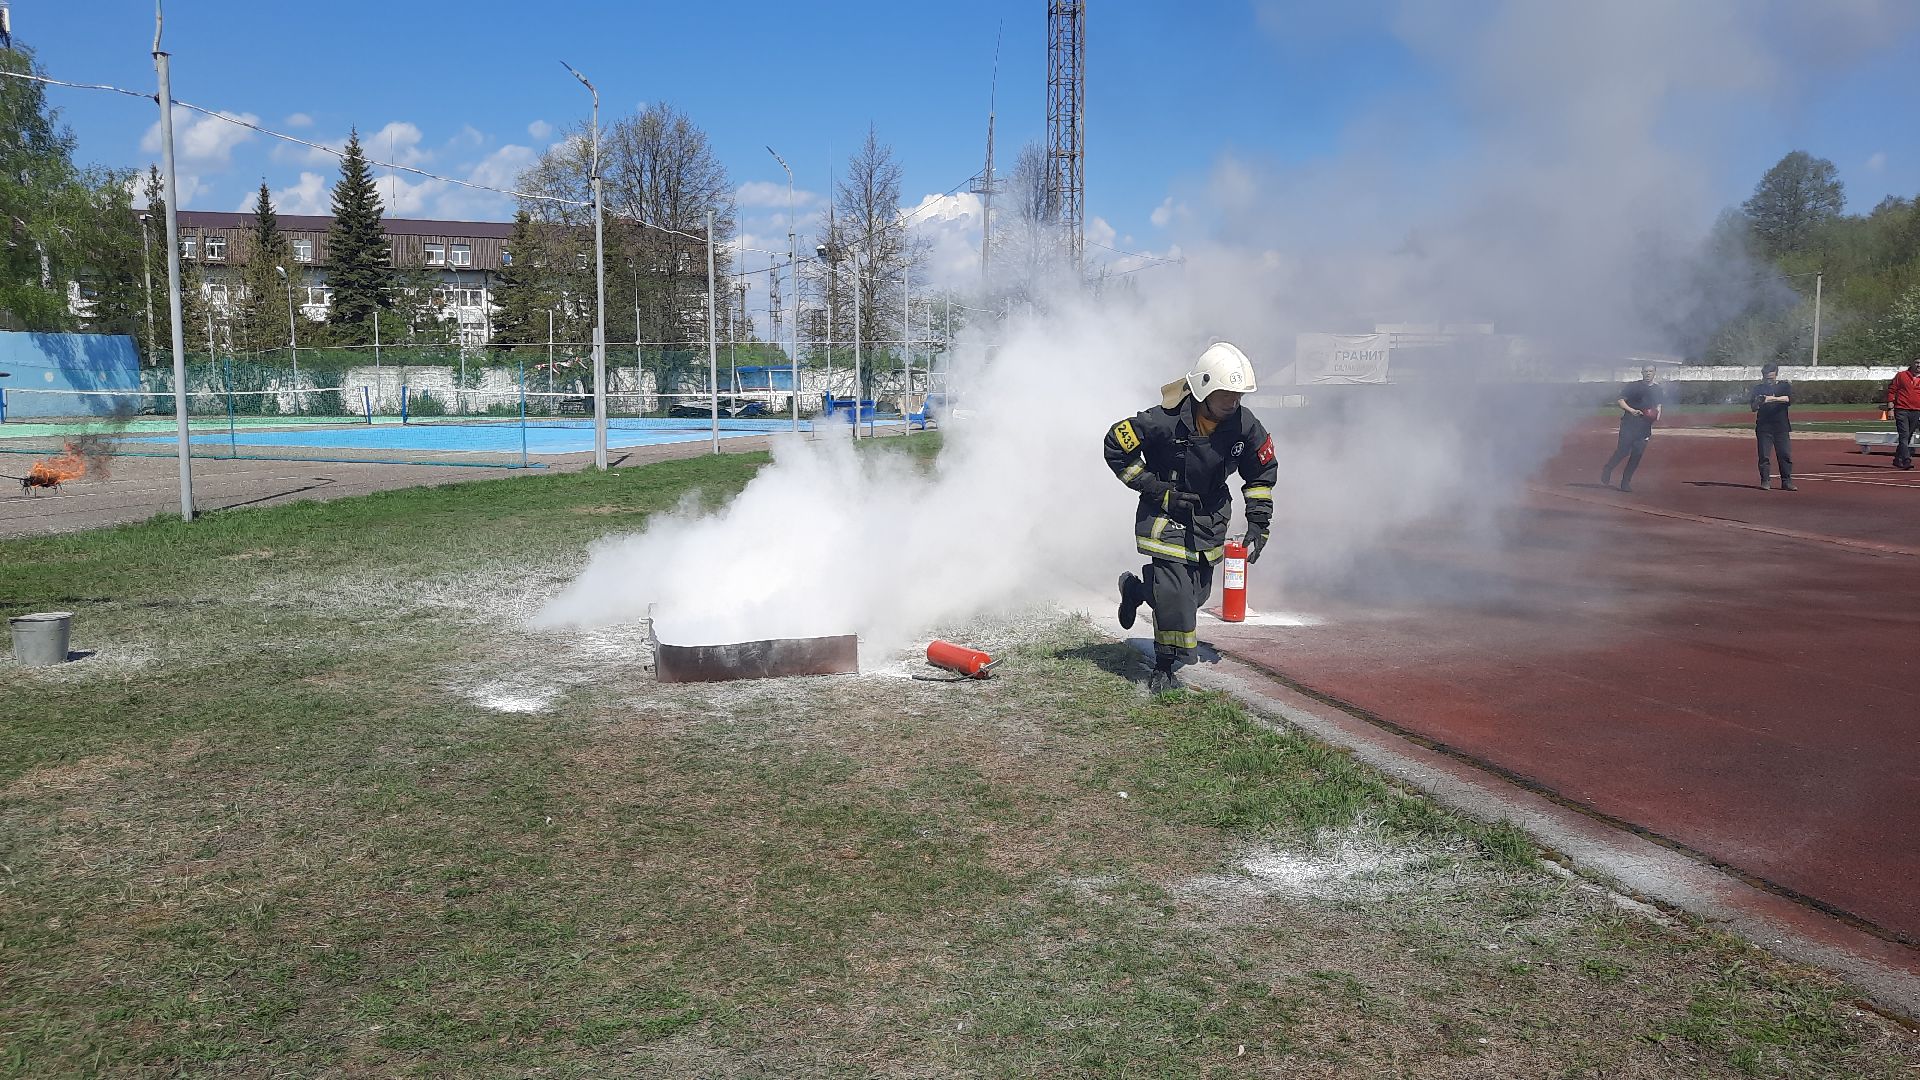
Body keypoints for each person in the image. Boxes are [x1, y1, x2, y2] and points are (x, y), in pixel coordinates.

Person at [1104, 342, 1278, 694]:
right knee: (1178, 597)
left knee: (1194, 596)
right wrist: (1156, 489)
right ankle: (1164, 668)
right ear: (1202, 390)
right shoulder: (1162, 420)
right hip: (1165, 514)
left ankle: (1136, 589)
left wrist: (1259, 523)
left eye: (1237, 395)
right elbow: (1115, 446)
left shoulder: (1245, 425)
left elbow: (1260, 473)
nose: (1232, 402)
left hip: (1209, 516)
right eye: (1224, 395)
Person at [1600, 365, 1664, 492]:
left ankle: (1625, 482)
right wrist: (1632, 411)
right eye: (1646, 371)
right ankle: (1608, 468)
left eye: (1651, 371)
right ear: (1642, 373)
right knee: (1623, 451)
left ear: (1655, 373)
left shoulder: (1657, 389)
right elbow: (1620, 401)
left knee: (1637, 454)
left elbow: (1658, 405)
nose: (1648, 374)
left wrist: (1657, 415)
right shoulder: (1633, 386)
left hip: (1645, 426)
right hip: (1629, 423)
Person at [1749, 362, 1795, 490]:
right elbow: (1753, 407)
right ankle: (1765, 481)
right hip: (1764, 428)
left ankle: (1787, 481)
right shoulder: (1758, 389)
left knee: (1784, 455)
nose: (1769, 380)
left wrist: (1769, 399)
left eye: (1771, 377)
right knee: (1764, 456)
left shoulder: (1784, 386)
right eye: (1767, 378)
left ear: (1776, 375)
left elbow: (1788, 399)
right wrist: (1758, 402)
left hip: (1781, 427)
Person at [1887, 355, 1920, 471]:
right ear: (1912, 363)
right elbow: (1891, 391)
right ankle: (1906, 460)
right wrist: (1890, 409)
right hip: (1902, 410)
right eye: (1916, 362)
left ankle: (1897, 459)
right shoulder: (1902, 376)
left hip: (1916, 411)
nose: (1918, 365)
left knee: (1908, 436)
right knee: (1904, 435)